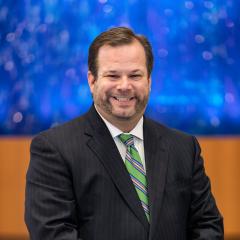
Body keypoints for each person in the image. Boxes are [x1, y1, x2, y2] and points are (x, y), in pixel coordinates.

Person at [25, 27, 224, 239]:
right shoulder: (54, 149)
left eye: (135, 75)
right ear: (92, 81)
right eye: (113, 75)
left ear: (149, 81)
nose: (124, 86)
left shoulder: (184, 148)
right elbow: (53, 233)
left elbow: (208, 227)